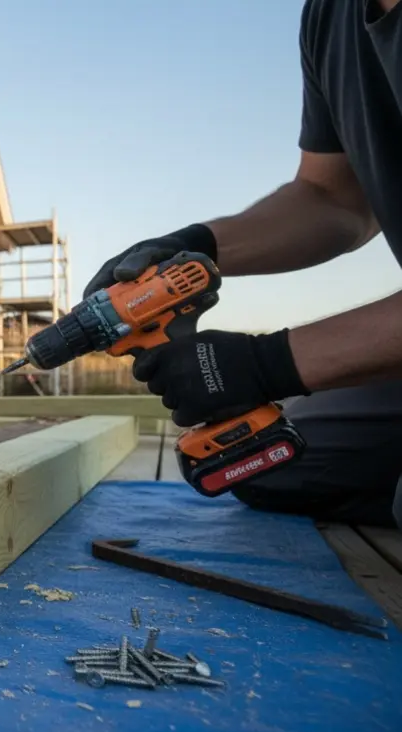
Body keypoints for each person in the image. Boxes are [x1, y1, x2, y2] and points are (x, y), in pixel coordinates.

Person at [82, 0, 402, 527]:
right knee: (275, 464)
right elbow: (333, 197)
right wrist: (198, 245)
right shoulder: (329, 17)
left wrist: (269, 363)